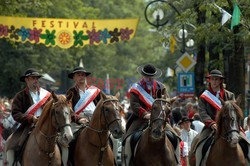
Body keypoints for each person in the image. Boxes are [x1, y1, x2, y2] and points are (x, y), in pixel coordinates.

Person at [122, 64, 180, 165]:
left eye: (151, 76)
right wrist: (145, 114)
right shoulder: (136, 88)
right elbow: (134, 105)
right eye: (146, 76)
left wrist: (161, 112)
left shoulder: (161, 87)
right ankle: (126, 162)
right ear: (142, 75)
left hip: (159, 118)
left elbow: (166, 103)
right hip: (140, 119)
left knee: (176, 137)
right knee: (128, 139)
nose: (149, 78)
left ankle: (177, 162)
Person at [192, 69, 248, 164]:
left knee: (246, 142)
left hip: (230, 126)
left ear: (220, 81)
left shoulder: (230, 95)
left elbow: (235, 111)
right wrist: (211, 123)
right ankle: (199, 163)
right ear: (209, 80)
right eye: (212, 79)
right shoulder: (203, 97)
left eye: (216, 79)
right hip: (211, 127)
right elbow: (202, 112)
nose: (214, 81)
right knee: (200, 144)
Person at [5, 68, 52, 165]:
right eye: (33, 78)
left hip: (47, 127)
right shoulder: (20, 96)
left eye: (37, 78)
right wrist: (31, 119)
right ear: (27, 80)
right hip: (28, 126)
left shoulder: (47, 95)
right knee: (10, 144)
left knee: (64, 143)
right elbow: (16, 114)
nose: (36, 80)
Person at [66, 66, 103, 164]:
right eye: (78, 75)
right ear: (74, 77)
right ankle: (69, 162)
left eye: (83, 75)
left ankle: (114, 161)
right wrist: (78, 119)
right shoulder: (71, 92)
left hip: (96, 120)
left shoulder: (95, 91)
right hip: (79, 122)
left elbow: (103, 105)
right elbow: (69, 110)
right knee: (69, 140)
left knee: (113, 139)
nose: (81, 77)